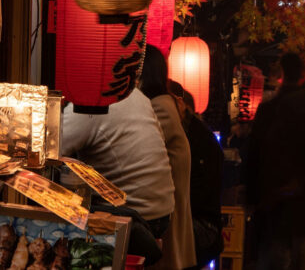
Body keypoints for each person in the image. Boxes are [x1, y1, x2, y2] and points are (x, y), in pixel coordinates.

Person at [60, 89, 175, 261]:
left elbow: (51, 148)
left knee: (54, 213)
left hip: (134, 216)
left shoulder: (90, 101)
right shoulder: (136, 94)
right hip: (162, 213)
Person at [246, 52, 305, 270]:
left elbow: (256, 152)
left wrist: (252, 194)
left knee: (274, 258)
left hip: (275, 201)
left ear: (281, 74)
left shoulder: (270, 108)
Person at [141, 45, 196, 270]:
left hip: (166, 219)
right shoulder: (163, 105)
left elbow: (140, 150)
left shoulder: (159, 108)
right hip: (167, 214)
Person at [169, 82, 225, 269]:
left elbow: (192, 195)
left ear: (180, 105)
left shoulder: (193, 139)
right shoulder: (193, 134)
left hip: (202, 226)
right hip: (200, 222)